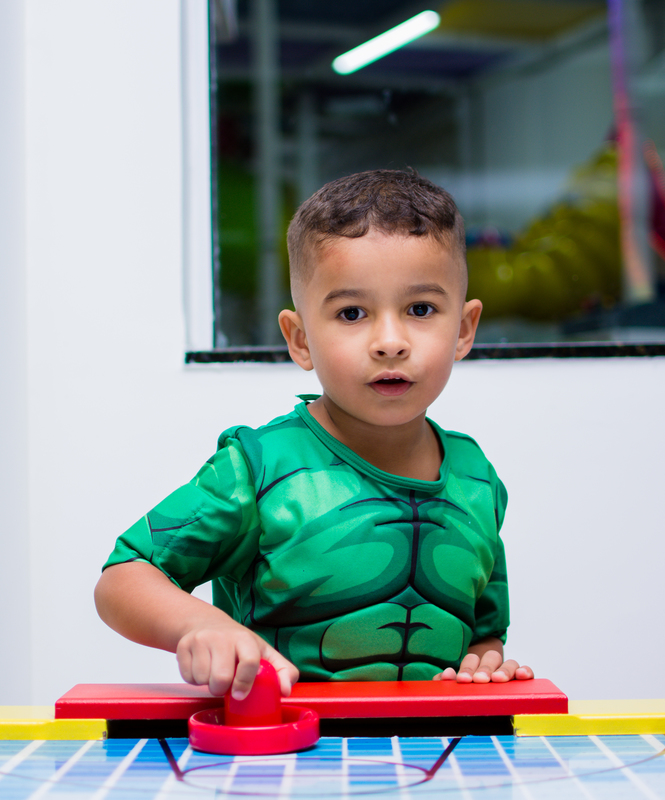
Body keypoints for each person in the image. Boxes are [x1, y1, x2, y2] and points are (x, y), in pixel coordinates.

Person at [95, 169, 532, 701]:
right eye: (352, 313)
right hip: (281, 744)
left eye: (420, 309)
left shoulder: (477, 480)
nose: (390, 341)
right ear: (300, 340)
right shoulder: (258, 469)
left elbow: (483, 634)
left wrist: (485, 662)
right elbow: (124, 576)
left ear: (463, 329)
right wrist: (201, 626)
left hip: (435, 748)